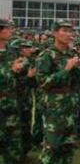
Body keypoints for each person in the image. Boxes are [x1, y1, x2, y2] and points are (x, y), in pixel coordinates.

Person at [35, 19, 80, 163]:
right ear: (55, 33)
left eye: (70, 31)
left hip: (70, 106)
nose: (68, 34)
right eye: (64, 30)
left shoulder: (72, 54)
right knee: (52, 147)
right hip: (54, 108)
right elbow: (43, 83)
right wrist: (65, 70)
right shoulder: (46, 56)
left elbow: (79, 82)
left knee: (68, 147)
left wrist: (78, 69)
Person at [0, 18, 25, 163]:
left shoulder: (12, 51)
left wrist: (24, 70)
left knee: (13, 142)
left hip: (11, 101)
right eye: (7, 29)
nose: (11, 31)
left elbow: (22, 70)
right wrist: (10, 70)